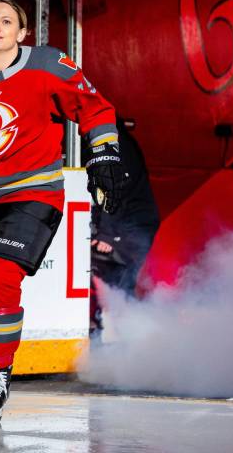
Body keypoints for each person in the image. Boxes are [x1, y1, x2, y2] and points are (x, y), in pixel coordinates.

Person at [0, 0, 127, 424]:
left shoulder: (48, 66)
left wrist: (104, 153)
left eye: (6, 21)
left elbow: (94, 107)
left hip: (32, 193)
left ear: (22, 32)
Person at [89, 120, 160, 342]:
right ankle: (126, 342)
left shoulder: (112, 141)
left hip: (131, 225)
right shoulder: (110, 136)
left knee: (120, 288)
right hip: (126, 223)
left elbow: (115, 186)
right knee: (117, 287)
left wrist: (107, 233)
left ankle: (131, 343)